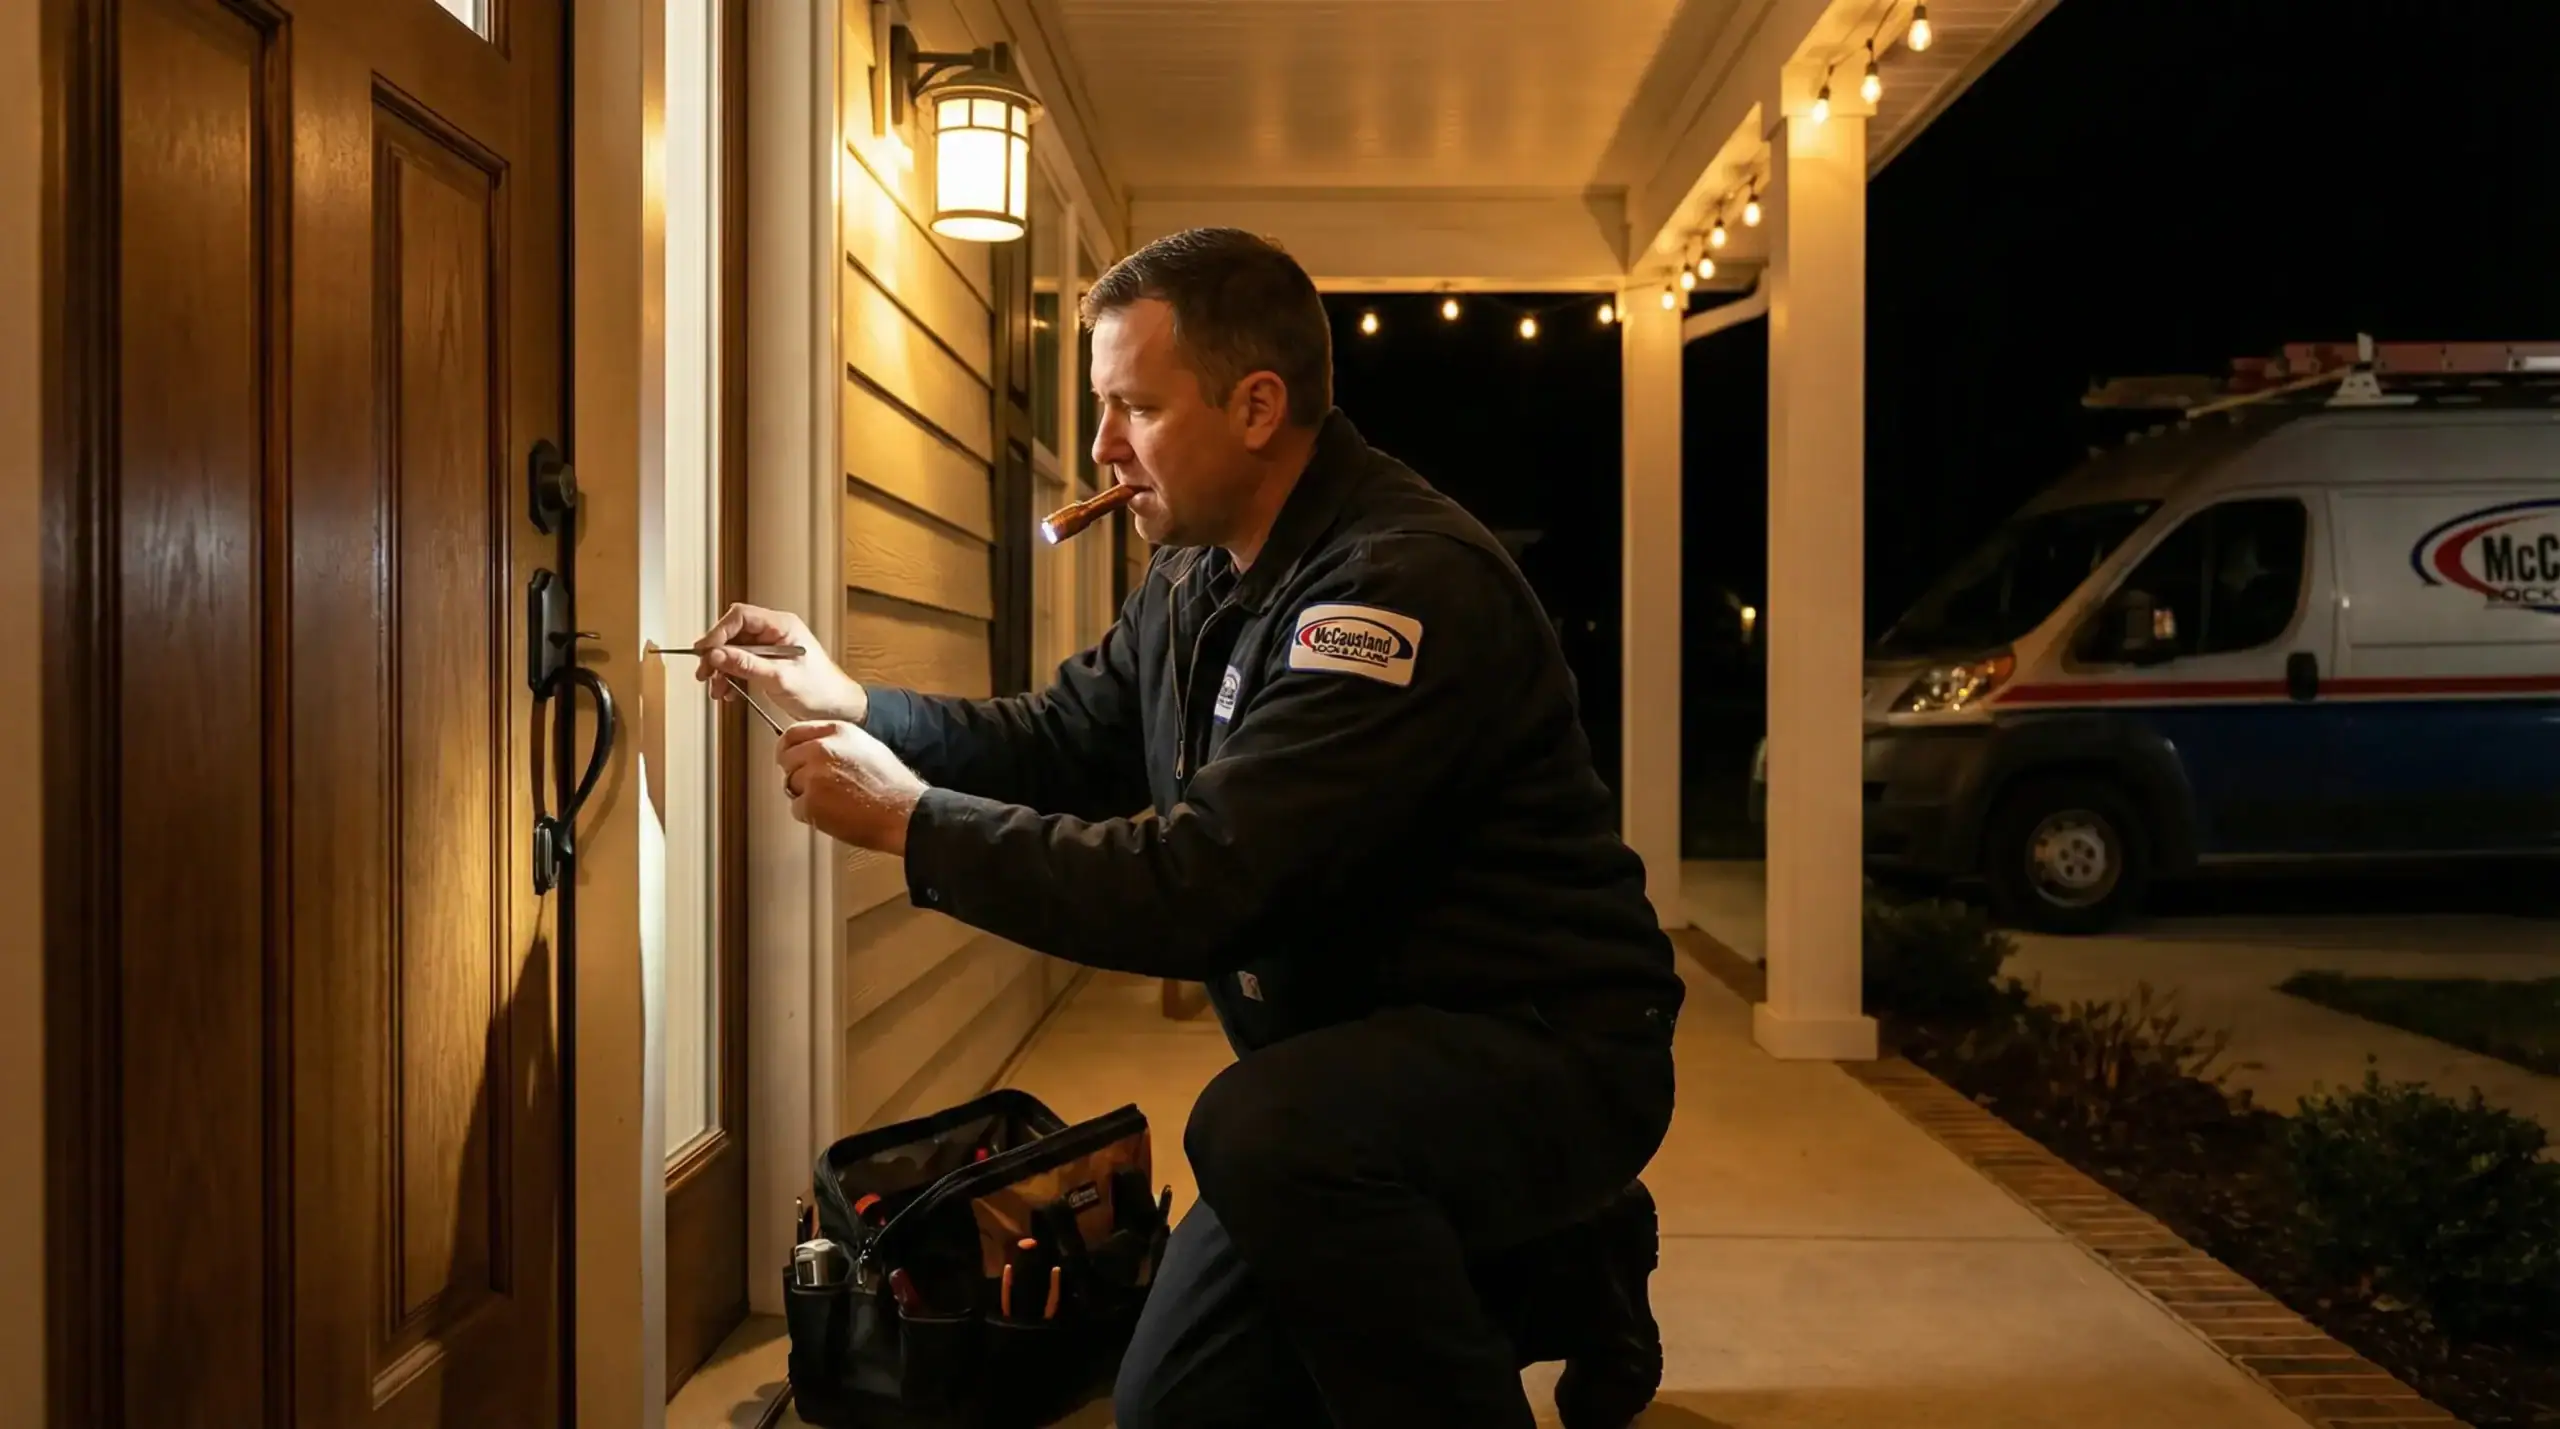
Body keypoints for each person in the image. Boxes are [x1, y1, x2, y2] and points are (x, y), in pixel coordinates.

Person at [695, 227, 1683, 1429]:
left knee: (1260, 1131)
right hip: (1352, 1063)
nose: (1102, 446)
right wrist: (853, 702)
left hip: (1541, 1046)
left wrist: (915, 827)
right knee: (1176, 1405)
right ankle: (1542, 1256)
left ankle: (1550, 1237)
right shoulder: (1192, 577)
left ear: (1257, 406)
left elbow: (1206, 884)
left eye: (1133, 407)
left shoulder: (1392, 594)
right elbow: (1060, 738)